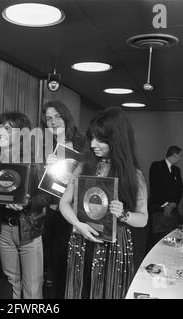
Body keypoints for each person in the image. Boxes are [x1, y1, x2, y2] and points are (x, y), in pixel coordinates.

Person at [59, 107, 148, 299]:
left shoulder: (134, 175)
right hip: (82, 239)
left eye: (100, 139)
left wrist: (123, 214)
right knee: (80, 289)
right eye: (92, 138)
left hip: (115, 247)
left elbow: (143, 219)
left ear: (116, 140)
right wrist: (78, 225)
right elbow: (64, 202)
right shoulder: (84, 166)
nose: (93, 144)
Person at [0, 111, 48, 299]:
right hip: (4, 228)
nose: (1, 132)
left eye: (8, 129)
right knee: (10, 282)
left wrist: (27, 203)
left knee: (32, 286)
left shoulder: (35, 160)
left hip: (29, 230)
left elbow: (46, 198)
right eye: (0, 127)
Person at [40, 101, 86, 298]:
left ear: (66, 116)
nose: (53, 121)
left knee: (68, 265)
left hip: (73, 211)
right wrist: (43, 168)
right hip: (49, 211)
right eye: (48, 118)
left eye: (57, 116)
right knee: (52, 263)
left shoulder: (82, 142)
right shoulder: (43, 145)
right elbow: (38, 182)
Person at [147, 145, 183, 248]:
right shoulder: (156, 166)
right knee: (155, 238)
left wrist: (173, 204)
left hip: (172, 208)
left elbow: (180, 189)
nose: (181, 158)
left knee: (172, 236)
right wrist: (166, 205)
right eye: (180, 156)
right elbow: (154, 187)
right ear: (174, 155)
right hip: (158, 208)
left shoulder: (177, 170)